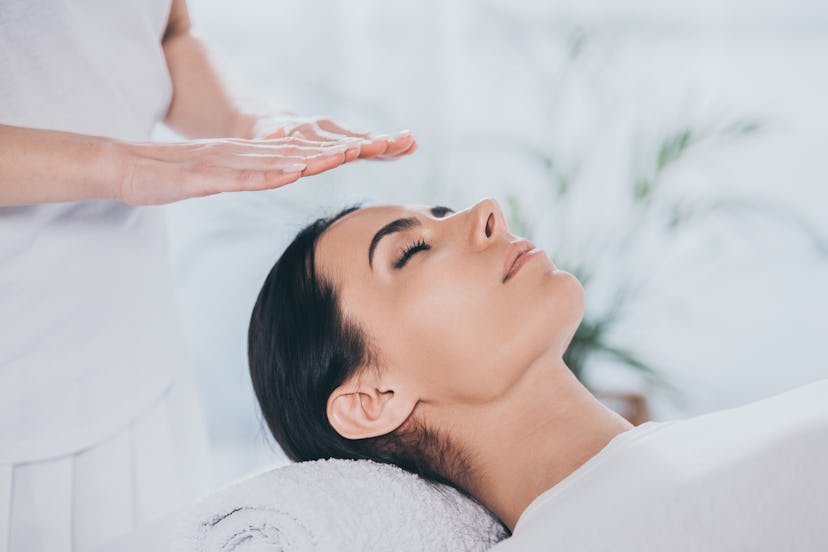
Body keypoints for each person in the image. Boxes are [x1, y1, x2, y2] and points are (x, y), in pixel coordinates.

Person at [0, 0, 415, 550]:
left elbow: (167, 33)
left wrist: (256, 125)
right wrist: (121, 165)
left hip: (133, 354)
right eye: (407, 254)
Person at [247, 198, 828, 551]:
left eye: (444, 213)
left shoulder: (706, 455)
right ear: (374, 398)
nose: (486, 212)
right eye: (413, 250)